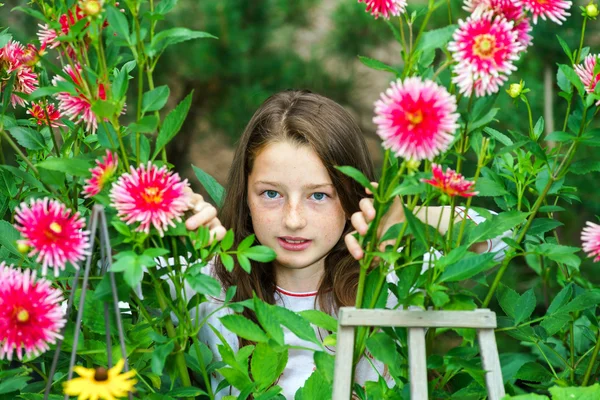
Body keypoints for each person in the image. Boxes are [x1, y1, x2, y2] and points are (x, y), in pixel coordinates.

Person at [184, 90, 507, 399]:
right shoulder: (208, 285)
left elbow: (506, 239)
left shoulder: (391, 279)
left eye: (319, 195)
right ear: (245, 196)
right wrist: (163, 221)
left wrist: (411, 220)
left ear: (352, 195)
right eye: (271, 194)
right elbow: (134, 300)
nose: (293, 220)